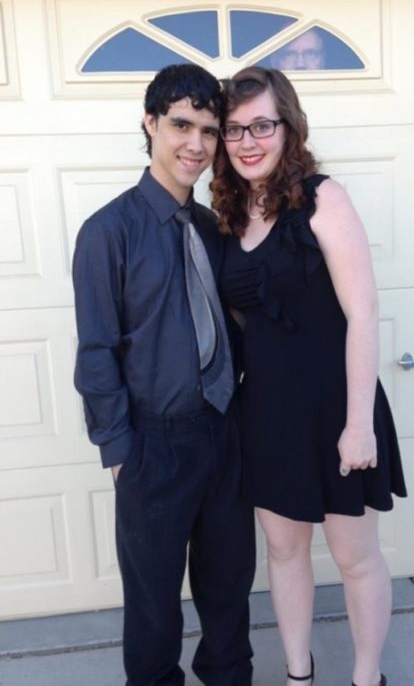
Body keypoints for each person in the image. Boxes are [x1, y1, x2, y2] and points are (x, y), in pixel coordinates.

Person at [211, 66, 407, 686]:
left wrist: (358, 425)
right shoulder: (230, 217)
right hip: (266, 414)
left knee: (354, 558)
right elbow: (245, 325)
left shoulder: (323, 199)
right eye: (235, 130)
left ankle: (366, 676)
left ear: (288, 127)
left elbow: (363, 312)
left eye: (261, 125)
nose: (247, 141)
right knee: (285, 553)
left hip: (338, 409)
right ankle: (299, 673)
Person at [72, 64, 256, 686]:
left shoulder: (210, 228)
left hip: (222, 436)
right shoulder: (108, 232)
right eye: (181, 124)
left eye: (208, 130)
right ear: (150, 124)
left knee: (230, 590)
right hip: (154, 444)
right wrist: (121, 450)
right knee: (153, 606)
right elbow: (96, 352)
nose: (196, 144)